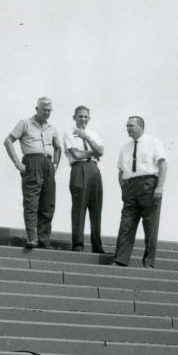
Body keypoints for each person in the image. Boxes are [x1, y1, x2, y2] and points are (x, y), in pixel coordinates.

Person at [2, 96, 64, 249]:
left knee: (48, 203)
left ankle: (44, 239)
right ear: (37, 109)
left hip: (48, 164)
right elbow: (8, 141)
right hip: (32, 162)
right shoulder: (25, 123)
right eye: (44, 109)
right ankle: (32, 238)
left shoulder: (52, 128)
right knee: (31, 201)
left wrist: (55, 164)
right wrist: (18, 163)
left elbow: (58, 147)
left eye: (49, 110)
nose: (47, 113)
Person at [110, 116, 169, 269]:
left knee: (150, 225)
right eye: (127, 126)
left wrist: (159, 187)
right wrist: (124, 190)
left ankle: (149, 262)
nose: (128, 128)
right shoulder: (125, 147)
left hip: (149, 185)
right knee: (126, 225)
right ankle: (120, 260)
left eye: (131, 125)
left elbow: (162, 166)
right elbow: (121, 171)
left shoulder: (154, 142)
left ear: (141, 126)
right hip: (130, 187)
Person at [63, 104, 106, 253]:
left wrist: (87, 138)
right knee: (79, 207)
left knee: (96, 207)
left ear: (89, 118)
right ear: (74, 117)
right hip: (79, 169)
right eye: (80, 116)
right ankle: (78, 244)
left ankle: (97, 245)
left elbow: (100, 151)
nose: (83, 119)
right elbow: (76, 154)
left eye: (85, 116)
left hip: (94, 170)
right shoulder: (69, 133)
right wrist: (93, 153)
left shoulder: (93, 134)